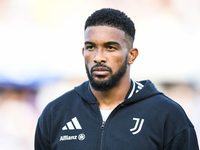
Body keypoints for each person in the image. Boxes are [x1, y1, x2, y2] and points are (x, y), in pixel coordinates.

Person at [34, 8, 199, 150]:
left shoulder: (167, 115)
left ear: (131, 55)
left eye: (110, 48)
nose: (98, 57)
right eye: (91, 47)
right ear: (83, 53)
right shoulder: (55, 113)